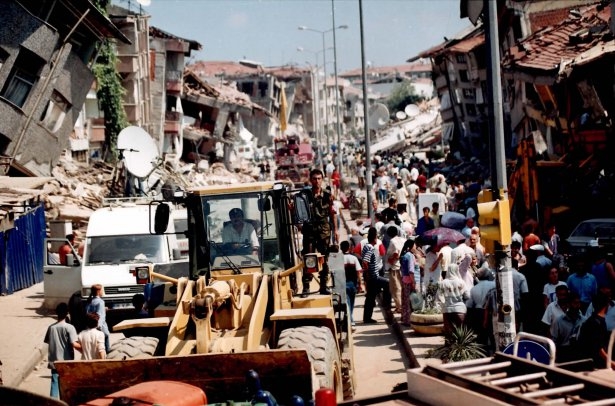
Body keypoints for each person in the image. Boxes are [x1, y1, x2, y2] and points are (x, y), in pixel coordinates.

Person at [44, 303, 80, 398]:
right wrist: (84, 348)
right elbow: (74, 344)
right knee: (67, 384)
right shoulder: (70, 327)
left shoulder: (51, 327)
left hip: (54, 361)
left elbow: (47, 341)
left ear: (57, 313)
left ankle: (53, 402)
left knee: (54, 382)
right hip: (66, 361)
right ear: (67, 313)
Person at [361, 227, 390, 324]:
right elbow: (365, 261)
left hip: (371, 276)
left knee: (371, 297)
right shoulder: (370, 248)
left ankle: (367, 318)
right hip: (373, 276)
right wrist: (368, 272)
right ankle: (386, 305)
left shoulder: (366, 246)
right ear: (374, 238)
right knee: (387, 283)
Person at [440, 263, 469, 335]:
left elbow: (439, 296)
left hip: (447, 310)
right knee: (460, 335)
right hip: (460, 309)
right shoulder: (461, 282)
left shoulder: (443, 283)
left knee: (448, 334)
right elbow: (467, 296)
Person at [341, 241, 361, 328]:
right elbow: (358, 272)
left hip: (342, 284)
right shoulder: (354, 258)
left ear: (341, 248)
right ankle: (351, 320)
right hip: (353, 284)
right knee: (351, 303)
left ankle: (350, 320)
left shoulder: (338, 259)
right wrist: (360, 284)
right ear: (349, 248)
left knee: (348, 303)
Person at [86, 284, 110, 354]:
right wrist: (98, 327)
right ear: (99, 291)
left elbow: (89, 313)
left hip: (91, 327)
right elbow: (100, 316)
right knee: (105, 349)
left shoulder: (90, 301)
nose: (103, 292)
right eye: (102, 290)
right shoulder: (100, 302)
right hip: (101, 328)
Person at [400, 239, 417, 325]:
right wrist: (414, 282)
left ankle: (405, 318)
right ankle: (409, 320)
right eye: (414, 245)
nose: (416, 247)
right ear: (411, 247)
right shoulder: (410, 256)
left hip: (404, 280)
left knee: (405, 300)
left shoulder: (404, 255)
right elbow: (411, 271)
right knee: (410, 302)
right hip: (409, 281)